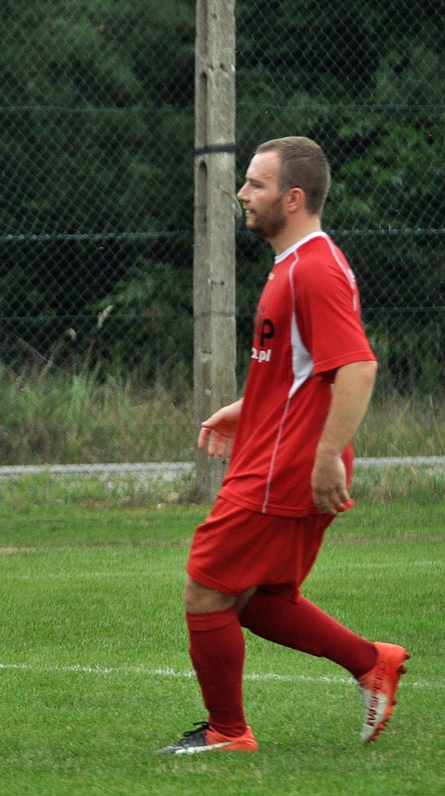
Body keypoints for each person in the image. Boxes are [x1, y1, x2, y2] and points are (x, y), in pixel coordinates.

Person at [156, 136, 408, 755]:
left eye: (256, 185)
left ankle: (227, 733)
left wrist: (322, 459)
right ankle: (372, 661)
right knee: (259, 600)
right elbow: (306, 372)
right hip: (280, 452)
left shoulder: (313, 268)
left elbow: (357, 368)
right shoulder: (294, 264)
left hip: (287, 465)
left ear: (292, 199)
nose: (242, 194)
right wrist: (248, 409)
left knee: (207, 586)